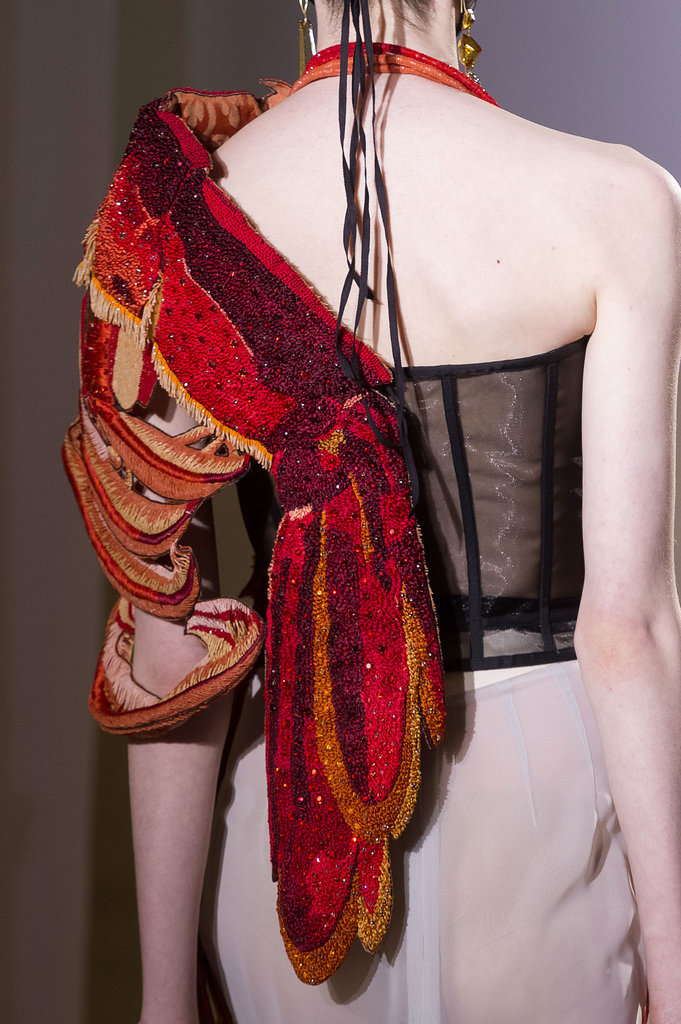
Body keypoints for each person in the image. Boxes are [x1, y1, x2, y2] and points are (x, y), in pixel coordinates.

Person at [64, 0, 681, 1022]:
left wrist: (163, 998)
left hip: (287, 796)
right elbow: (626, 629)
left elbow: (173, 657)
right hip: (543, 789)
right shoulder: (619, 199)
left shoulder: (175, 217)